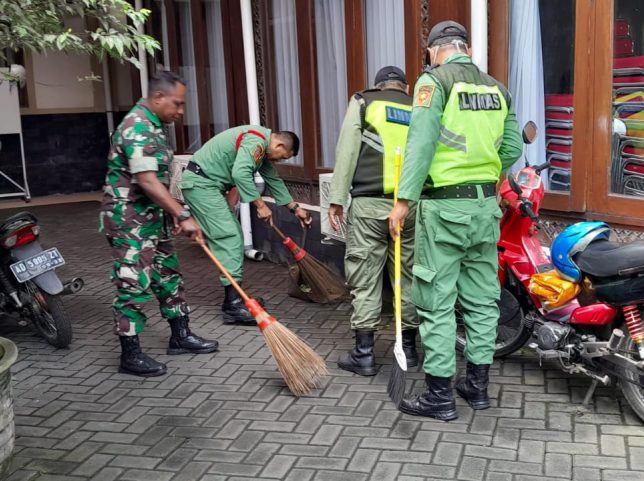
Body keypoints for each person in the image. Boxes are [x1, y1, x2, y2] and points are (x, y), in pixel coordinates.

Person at [387, 21, 523, 420]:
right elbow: (512, 144)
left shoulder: (433, 82)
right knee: (482, 301)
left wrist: (403, 201)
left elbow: (421, 143)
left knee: (437, 303)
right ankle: (477, 388)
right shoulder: (497, 88)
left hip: (444, 210)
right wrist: (487, 174)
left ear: (435, 51)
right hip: (485, 210)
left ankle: (439, 397)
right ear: (464, 47)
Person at [100, 71, 219, 378]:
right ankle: (130, 354)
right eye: (177, 104)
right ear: (157, 98)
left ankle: (180, 336)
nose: (181, 112)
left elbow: (157, 182)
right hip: (130, 222)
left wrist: (168, 215)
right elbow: (148, 181)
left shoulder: (153, 126)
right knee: (132, 283)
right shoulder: (137, 126)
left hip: (152, 217)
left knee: (168, 276)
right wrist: (182, 214)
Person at [328, 66, 421, 376]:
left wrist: (337, 198)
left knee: (365, 274)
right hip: (410, 206)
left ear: (378, 85)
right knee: (406, 276)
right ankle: (409, 348)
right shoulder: (418, 106)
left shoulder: (364, 101)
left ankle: (364, 354)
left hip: (369, 205)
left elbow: (347, 152)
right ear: (406, 88)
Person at [178, 126, 311, 325]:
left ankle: (235, 298)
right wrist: (260, 205)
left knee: (234, 236)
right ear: (279, 144)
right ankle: (232, 306)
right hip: (202, 186)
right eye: (281, 157)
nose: (278, 161)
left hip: (207, 186)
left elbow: (272, 179)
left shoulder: (262, 147)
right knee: (229, 237)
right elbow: (240, 173)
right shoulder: (256, 141)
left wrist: (295, 208)